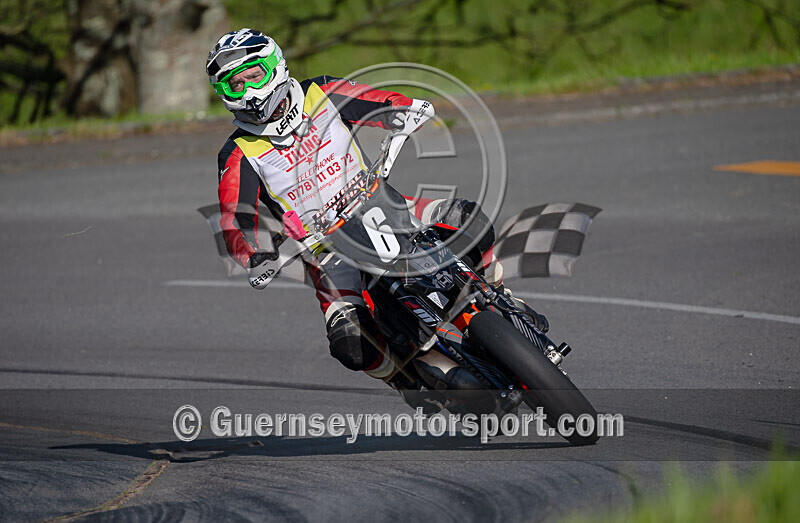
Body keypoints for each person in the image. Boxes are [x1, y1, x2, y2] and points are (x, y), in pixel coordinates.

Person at [206, 29, 547, 405]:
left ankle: (497, 291)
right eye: (235, 85)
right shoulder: (238, 153)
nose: (249, 91)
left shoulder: (321, 93)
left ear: (275, 66)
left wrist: (404, 109)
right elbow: (235, 220)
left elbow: (376, 101)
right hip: (326, 252)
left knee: (467, 217)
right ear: (224, 95)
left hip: (388, 207)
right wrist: (254, 254)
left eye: (253, 75)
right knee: (350, 343)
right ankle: (403, 376)